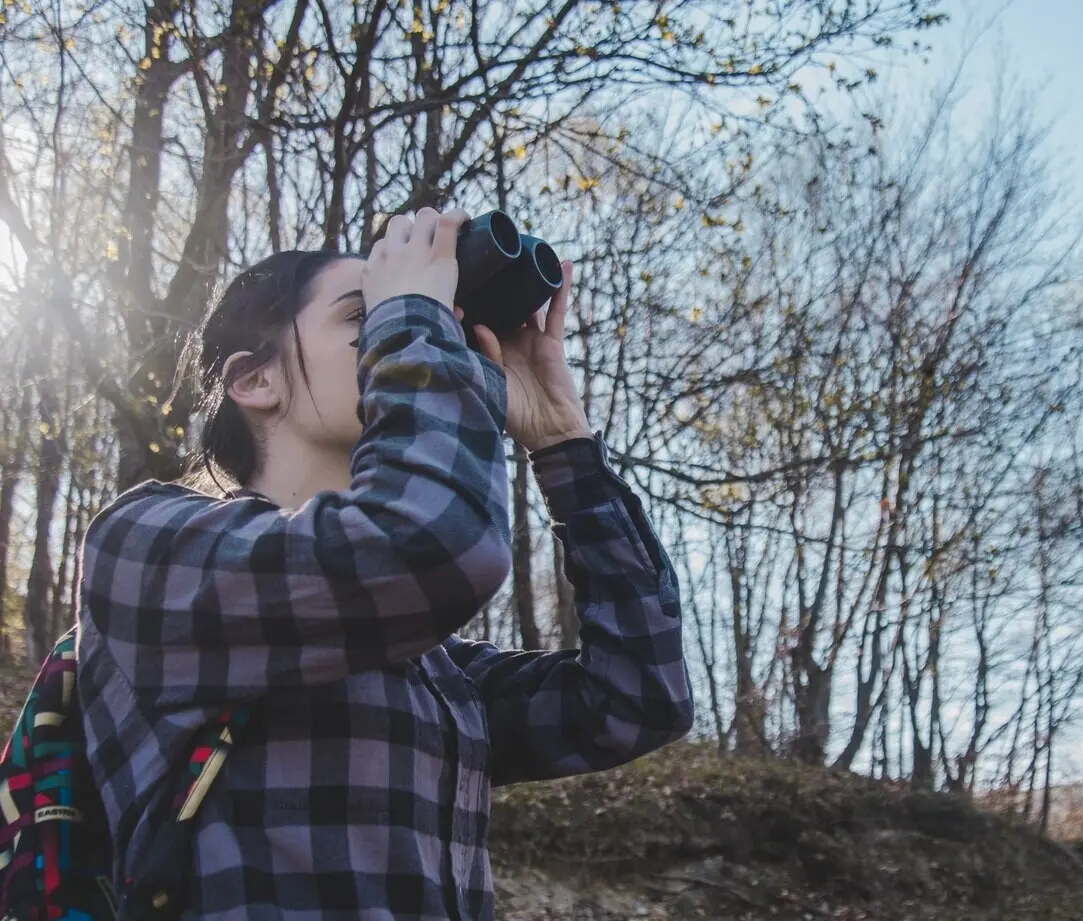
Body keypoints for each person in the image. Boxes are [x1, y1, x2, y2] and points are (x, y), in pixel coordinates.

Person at [75, 207, 693, 921]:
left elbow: (639, 696)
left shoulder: (437, 669)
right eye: (366, 315)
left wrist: (563, 444)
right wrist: (414, 315)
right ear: (255, 380)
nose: (419, 330)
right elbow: (428, 542)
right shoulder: (149, 545)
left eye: (429, 320)